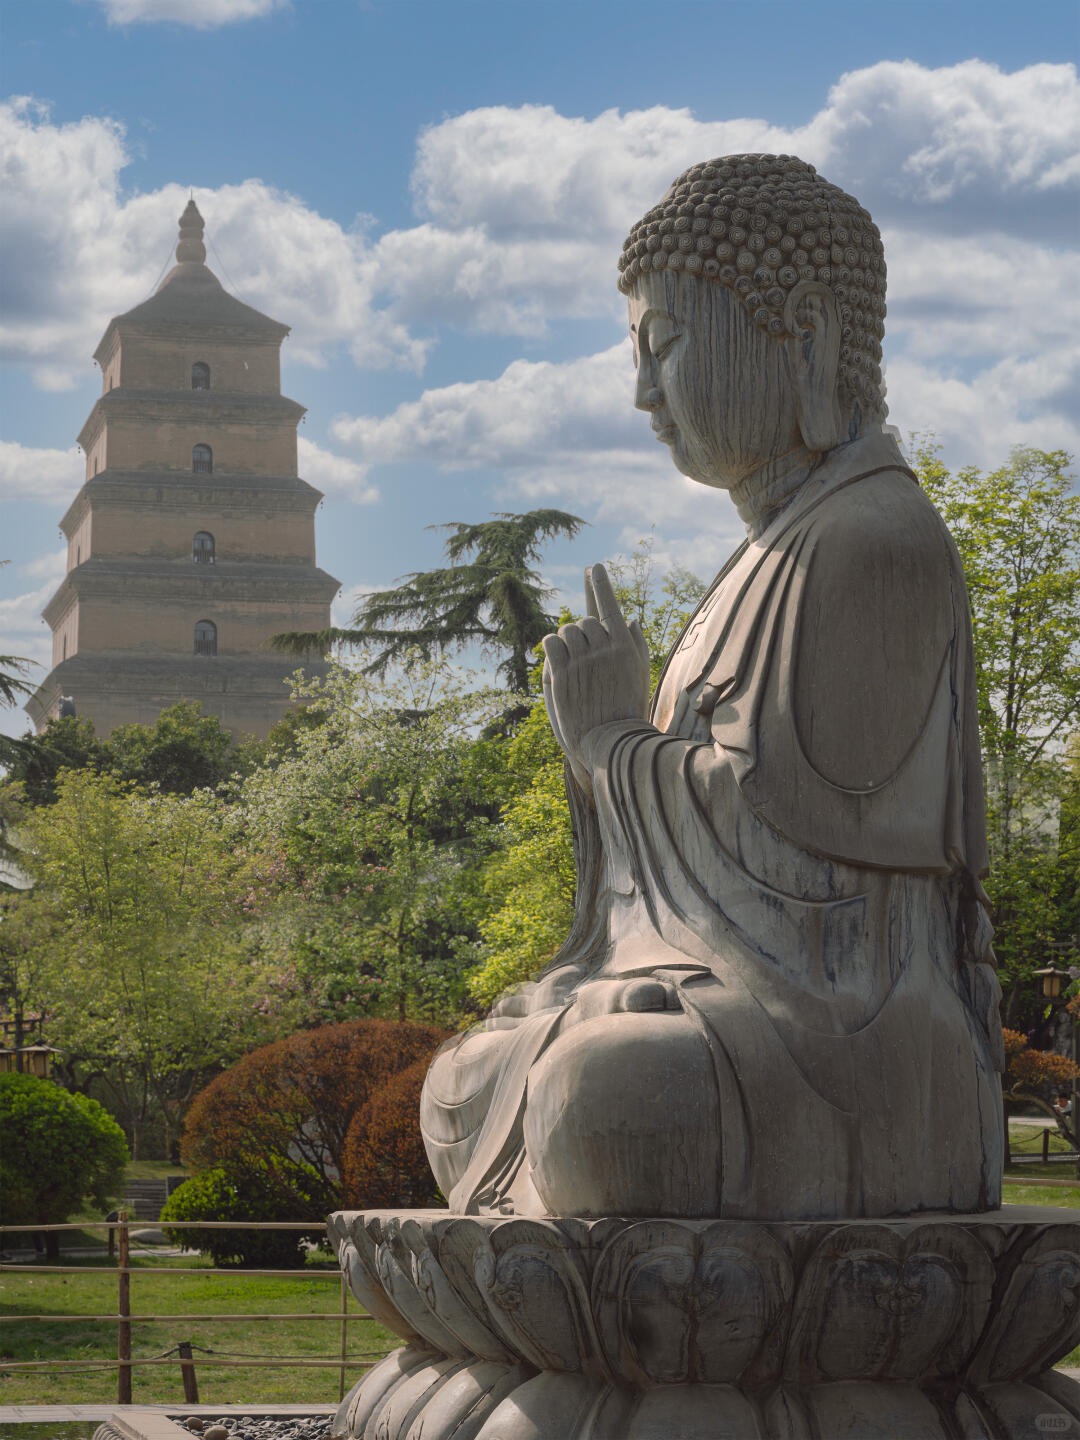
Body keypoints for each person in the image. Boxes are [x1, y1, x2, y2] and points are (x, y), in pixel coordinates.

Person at [421, 154, 1005, 1221]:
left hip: (853, 1039)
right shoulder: (757, 561)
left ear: (808, 332)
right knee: (471, 1072)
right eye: (635, 357)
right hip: (729, 1001)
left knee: (608, 1095)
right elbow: (687, 877)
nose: (644, 394)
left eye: (667, 346)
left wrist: (607, 743)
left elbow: (792, 850)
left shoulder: (876, 539)